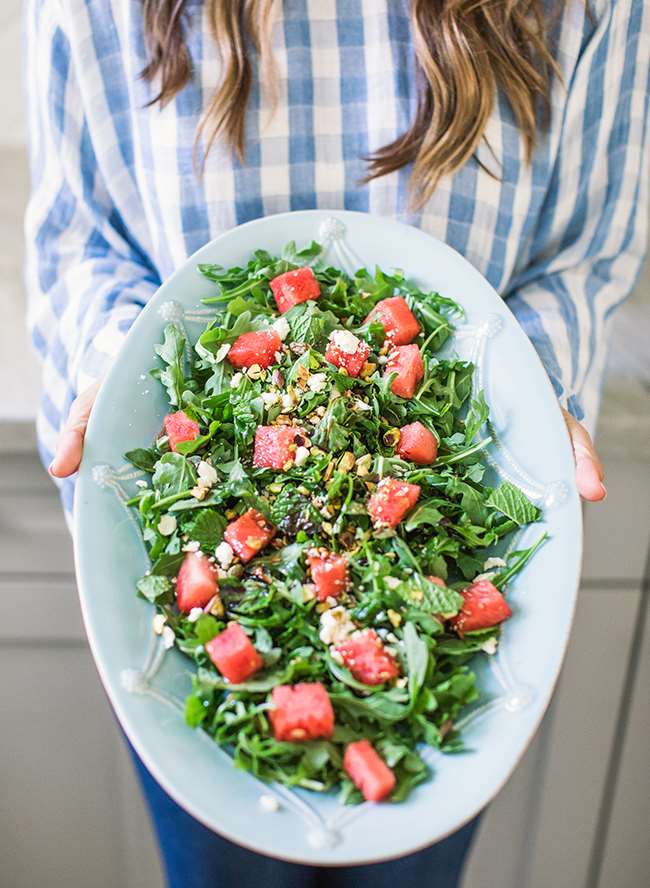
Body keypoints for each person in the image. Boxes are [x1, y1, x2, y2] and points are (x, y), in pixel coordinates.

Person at [24, 1, 648, 886]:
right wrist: (120, 370)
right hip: (192, 602)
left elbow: (587, 251)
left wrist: (529, 387)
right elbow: (78, 239)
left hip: (457, 579)